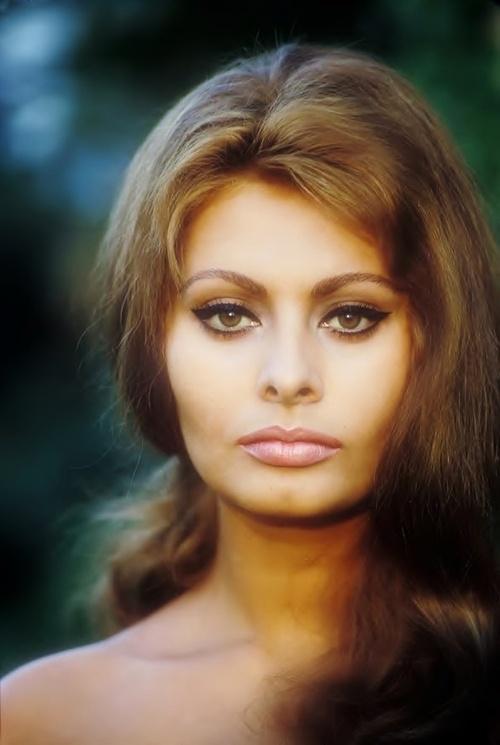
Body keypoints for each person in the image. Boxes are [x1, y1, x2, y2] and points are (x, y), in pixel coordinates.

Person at [2, 41, 500, 745]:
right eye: (228, 314)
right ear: (151, 345)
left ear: (437, 341)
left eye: (351, 316)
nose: (289, 376)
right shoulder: (39, 720)